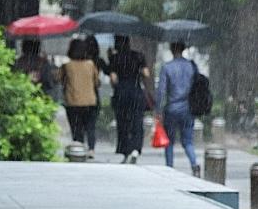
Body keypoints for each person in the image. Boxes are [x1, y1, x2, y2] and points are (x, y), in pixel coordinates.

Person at [156, 39, 199, 176]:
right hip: (188, 108)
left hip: (172, 109)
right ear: (183, 49)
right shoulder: (191, 66)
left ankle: (169, 168)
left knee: (169, 141)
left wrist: (158, 110)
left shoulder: (167, 67)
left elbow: (161, 91)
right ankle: (194, 162)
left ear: (171, 49)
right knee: (187, 141)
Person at [107, 35, 151, 163]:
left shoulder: (115, 58)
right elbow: (146, 74)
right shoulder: (138, 56)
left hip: (121, 93)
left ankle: (125, 150)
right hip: (136, 92)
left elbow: (113, 79)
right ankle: (136, 149)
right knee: (137, 122)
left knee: (123, 123)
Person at [58, 36, 103, 151]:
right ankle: (91, 149)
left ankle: (79, 148)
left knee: (76, 127)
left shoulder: (67, 66)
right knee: (90, 127)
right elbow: (97, 82)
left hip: (73, 101)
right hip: (90, 101)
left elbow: (59, 79)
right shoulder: (91, 64)